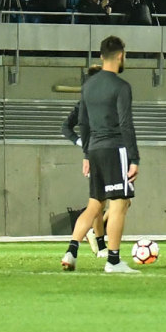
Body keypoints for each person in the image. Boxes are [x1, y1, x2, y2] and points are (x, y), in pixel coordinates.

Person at [61, 36, 140, 274]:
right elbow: (126, 124)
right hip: (115, 148)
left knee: (94, 204)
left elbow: (82, 123)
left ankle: (71, 251)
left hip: (94, 149)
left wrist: (86, 152)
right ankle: (113, 261)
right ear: (120, 55)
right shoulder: (121, 86)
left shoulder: (88, 87)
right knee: (119, 204)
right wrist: (134, 158)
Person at [60, 66, 109, 259]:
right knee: (102, 203)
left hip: (98, 155)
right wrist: (85, 150)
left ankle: (96, 242)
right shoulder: (88, 104)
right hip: (102, 156)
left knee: (100, 203)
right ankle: (100, 245)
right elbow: (68, 127)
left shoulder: (95, 102)